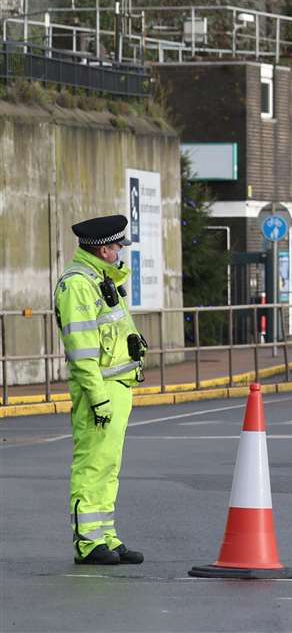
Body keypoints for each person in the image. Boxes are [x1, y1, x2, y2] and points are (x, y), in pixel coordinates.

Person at [56, 214, 146, 565]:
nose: (120, 253)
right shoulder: (78, 284)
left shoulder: (99, 279)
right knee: (93, 465)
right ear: (103, 249)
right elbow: (82, 351)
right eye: (116, 247)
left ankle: (105, 534)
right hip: (101, 389)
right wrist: (98, 397)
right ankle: (88, 543)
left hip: (117, 385)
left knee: (108, 466)